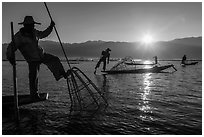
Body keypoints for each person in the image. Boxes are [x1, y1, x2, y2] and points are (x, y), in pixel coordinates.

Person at [6, 16, 67, 99]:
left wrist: (51, 27)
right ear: (26, 26)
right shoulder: (19, 37)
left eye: (33, 25)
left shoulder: (34, 32)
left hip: (41, 55)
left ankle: (62, 74)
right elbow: (10, 48)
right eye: (31, 25)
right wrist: (11, 58)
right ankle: (34, 95)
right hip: (32, 60)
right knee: (33, 77)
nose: (33, 27)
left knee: (55, 59)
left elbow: (43, 34)